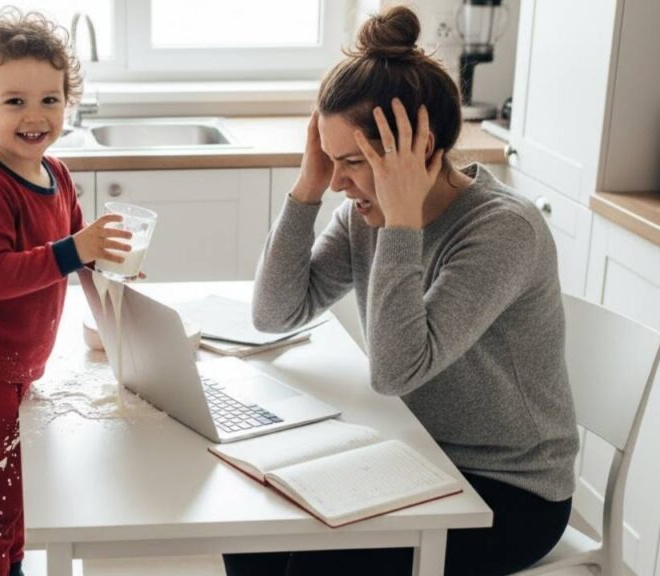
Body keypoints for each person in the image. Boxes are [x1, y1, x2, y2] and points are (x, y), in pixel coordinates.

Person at [225, 6, 578, 576]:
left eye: (353, 163)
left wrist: (401, 220)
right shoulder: (363, 215)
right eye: (330, 160)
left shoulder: (501, 230)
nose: (340, 182)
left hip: (511, 491)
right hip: (412, 451)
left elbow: (395, 370)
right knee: (253, 533)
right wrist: (308, 185)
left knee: (317, 569)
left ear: (422, 152)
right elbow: (274, 312)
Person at [0, 8, 134, 576]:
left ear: (68, 101)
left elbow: (76, 251)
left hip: (18, 367)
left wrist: (111, 266)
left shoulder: (59, 174)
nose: (35, 115)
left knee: (17, 497)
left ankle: (13, 568)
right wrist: (77, 250)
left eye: (50, 99)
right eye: (15, 100)